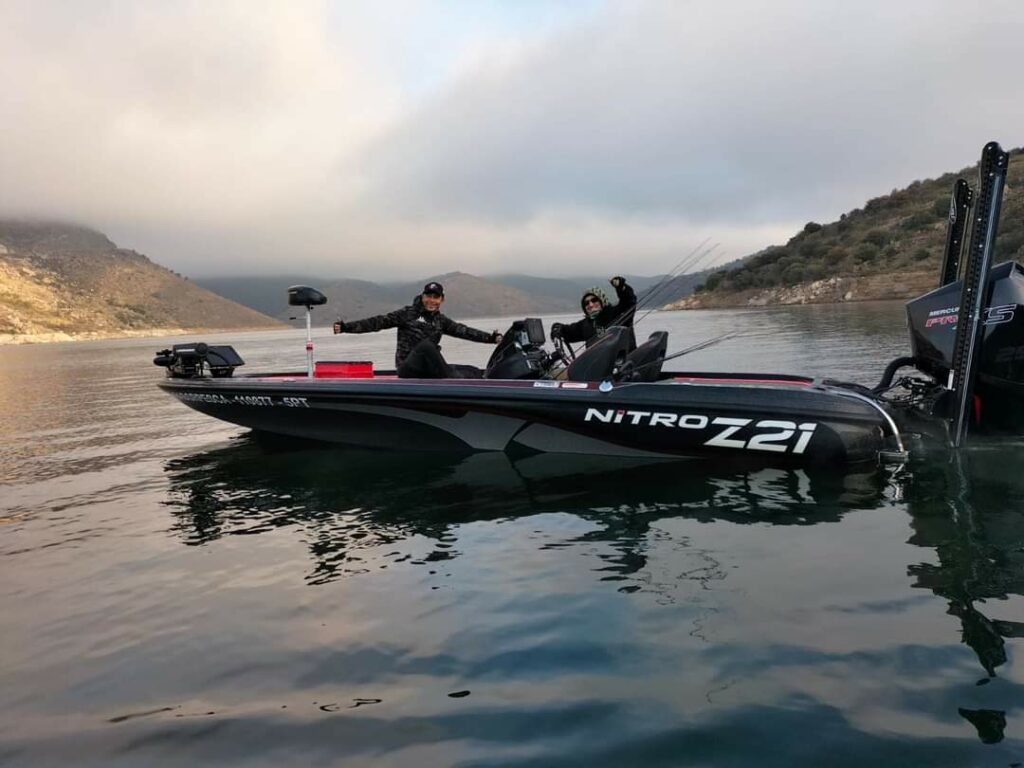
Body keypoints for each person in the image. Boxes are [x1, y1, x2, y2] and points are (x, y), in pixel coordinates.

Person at [333, 281, 502, 378]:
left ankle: (462, 381)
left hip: (427, 370)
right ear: (423, 297)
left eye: (435, 297)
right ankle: (451, 380)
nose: (431, 300)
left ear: (442, 300)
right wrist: (346, 327)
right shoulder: (408, 314)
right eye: (428, 296)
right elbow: (378, 322)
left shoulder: (440, 321)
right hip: (408, 369)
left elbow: (463, 331)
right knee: (427, 346)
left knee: (472, 371)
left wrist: (491, 338)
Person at [550, 276, 637, 350]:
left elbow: (629, 301)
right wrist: (557, 329)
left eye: (594, 300)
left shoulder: (616, 312)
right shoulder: (585, 324)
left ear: (602, 301)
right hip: (599, 367)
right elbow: (569, 332)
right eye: (586, 303)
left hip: (624, 364)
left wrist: (622, 288)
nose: (590, 305)